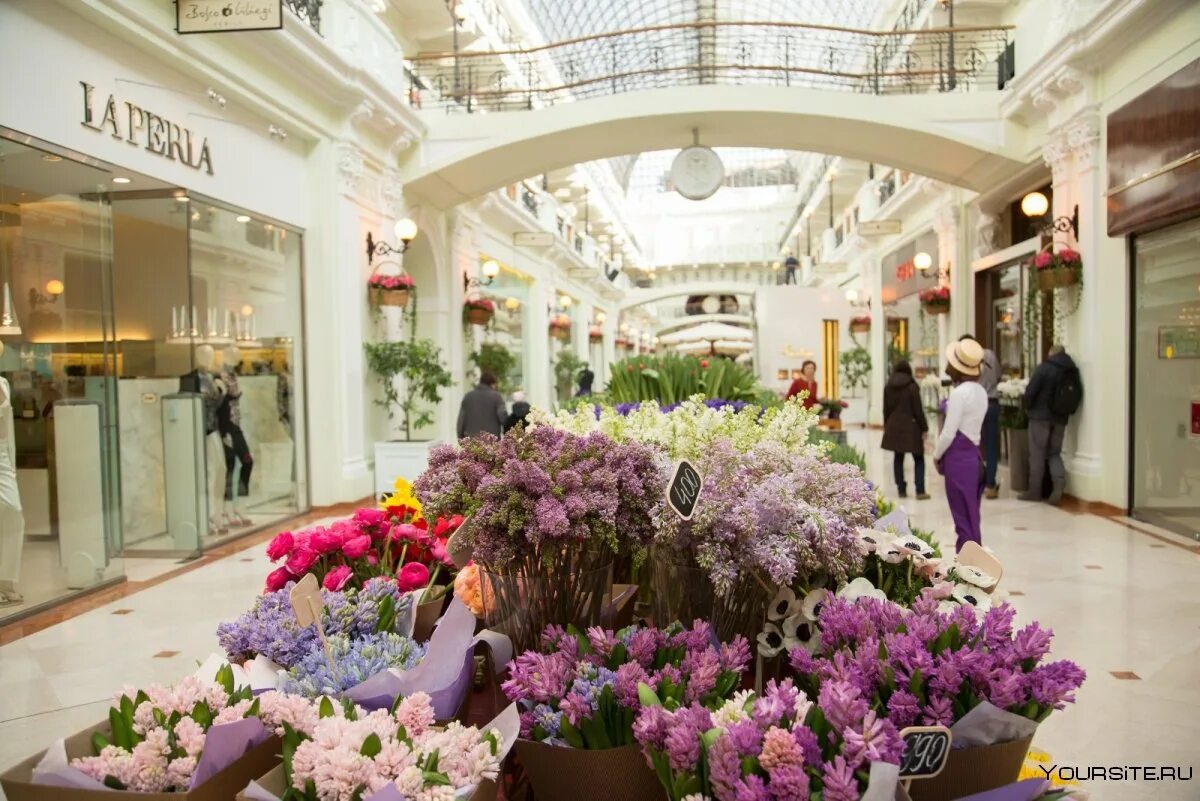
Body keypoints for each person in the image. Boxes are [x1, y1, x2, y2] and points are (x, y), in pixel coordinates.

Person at [934, 339, 988, 552]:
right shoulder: (981, 392)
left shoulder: (959, 394)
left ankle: (967, 567)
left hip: (957, 460)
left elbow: (948, 432)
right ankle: (976, 564)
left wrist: (937, 455)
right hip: (974, 458)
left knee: (961, 519)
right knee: (972, 516)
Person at [1021, 345, 1082, 505]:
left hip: (1039, 418)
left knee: (1037, 454)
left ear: (1051, 353)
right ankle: (1059, 485)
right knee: (1054, 453)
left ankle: (1034, 491)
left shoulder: (1045, 368)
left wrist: (1027, 408)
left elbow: (1031, 392)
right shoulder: (1072, 370)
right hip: (1061, 418)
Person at [961, 334, 1001, 499]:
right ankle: (990, 484)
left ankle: (974, 481)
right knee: (991, 446)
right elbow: (998, 374)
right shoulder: (990, 355)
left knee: (974, 444)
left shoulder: (966, 359)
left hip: (975, 404)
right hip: (992, 403)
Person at [882, 361, 929, 500]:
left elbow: (886, 409)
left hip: (894, 425)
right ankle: (920, 490)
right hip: (912, 426)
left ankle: (901, 489)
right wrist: (924, 427)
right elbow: (918, 410)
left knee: (898, 457)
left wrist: (887, 425)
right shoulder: (912, 386)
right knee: (919, 458)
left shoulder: (888, 386)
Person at [457, 371, 507, 439]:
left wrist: (460, 438)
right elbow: (503, 418)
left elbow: (461, 420)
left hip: (472, 441)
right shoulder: (496, 397)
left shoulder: (468, 396)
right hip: (491, 440)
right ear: (492, 384)